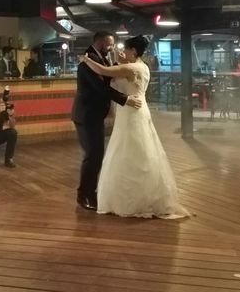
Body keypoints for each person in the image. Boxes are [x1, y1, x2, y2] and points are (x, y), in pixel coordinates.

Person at [79, 34, 189, 219]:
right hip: (138, 110)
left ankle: (128, 197)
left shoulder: (130, 68)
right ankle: (146, 195)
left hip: (130, 111)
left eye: (125, 49)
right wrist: (119, 62)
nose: (121, 52)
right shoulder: (143, 66)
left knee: (127, 150)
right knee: (141, 150)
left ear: (134, 51)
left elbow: (103, 71)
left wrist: (85, 60)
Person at [72, 31, 142, 211]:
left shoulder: (101, 59)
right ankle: (84, 195)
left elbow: (108, 76)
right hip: (86, 115)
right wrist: (125, 99)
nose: (112, 47)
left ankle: (92, 192)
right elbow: (100, 88)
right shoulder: (87, 62)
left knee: (96, 155)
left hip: (95, 115)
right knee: (93, 155)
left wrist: (118, 65)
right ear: (101, 42)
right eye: (110, 44)